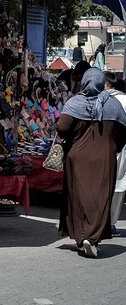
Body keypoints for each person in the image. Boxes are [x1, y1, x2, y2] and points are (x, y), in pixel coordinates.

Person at [56, 67, 126, 258]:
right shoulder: (113, 105)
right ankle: (92, 237)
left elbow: (62, 127)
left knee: (78, 197)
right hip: (105, 158)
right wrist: (113, 146)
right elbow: (123, 132)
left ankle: (82, 236)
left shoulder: (74, 103)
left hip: (77, 159)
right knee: (100, 197)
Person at [104, 72, 126, 237]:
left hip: (104, 147)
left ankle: (101, 222)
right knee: (118, 184)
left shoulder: (100, 99)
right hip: (121, 148)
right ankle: (110, 223)